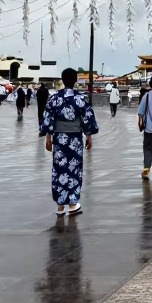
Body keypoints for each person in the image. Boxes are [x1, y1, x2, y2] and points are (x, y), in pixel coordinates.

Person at [40, 68, 99, 216]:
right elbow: (87, 118)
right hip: (74, 139)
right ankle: (72, 203)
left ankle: (60, 205)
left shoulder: (54, 98)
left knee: (59, 169)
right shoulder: (80, 98)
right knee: (74, 169)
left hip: (59, 138)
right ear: (75, 80)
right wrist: (89, 135)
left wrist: (48, 137)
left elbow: (48, 118)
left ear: (62, 79)